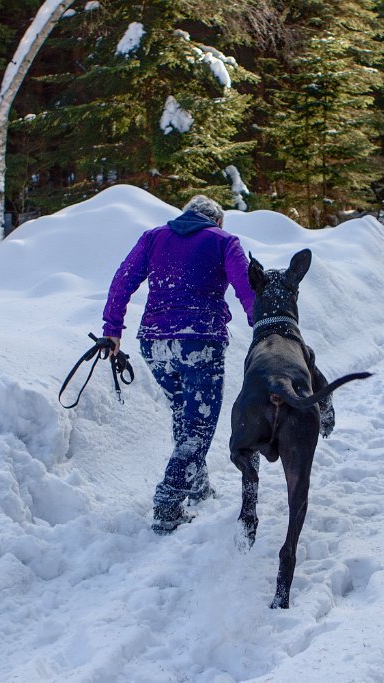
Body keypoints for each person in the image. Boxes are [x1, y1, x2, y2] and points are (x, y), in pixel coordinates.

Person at [101, 195, 255, 535]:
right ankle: (169, 503)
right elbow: (247, 289)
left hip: (155, 343)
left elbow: (122, 281)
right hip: (199, 340)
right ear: (217, 221)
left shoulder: (154, 237)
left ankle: (196, 485)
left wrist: (112, 330)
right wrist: (263, 326)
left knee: (184, 412)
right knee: (198, 426)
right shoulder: (224, 241)